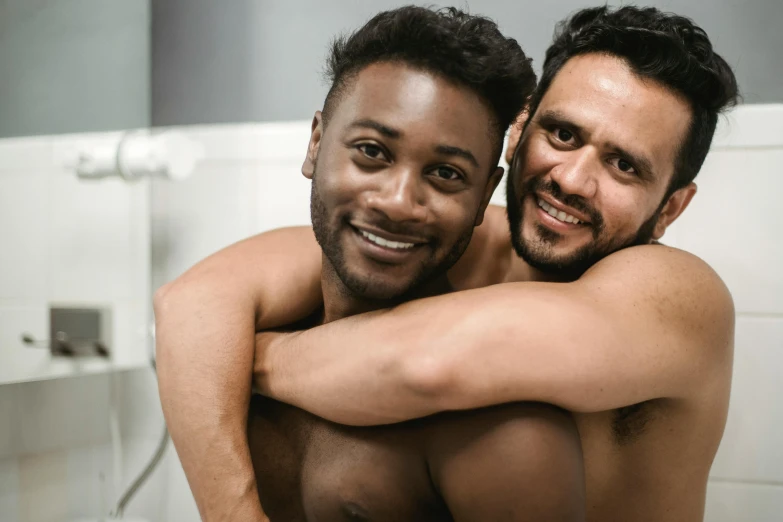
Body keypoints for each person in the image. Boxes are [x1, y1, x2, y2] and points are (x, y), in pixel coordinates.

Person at [155, 5, 739, 522]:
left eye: (624, 166)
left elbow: (431, 363)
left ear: (671, 208)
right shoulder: (444, 230)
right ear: (519, 132)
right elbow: (195, 303)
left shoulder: (676, 294)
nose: (571, 178)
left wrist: (248, 356)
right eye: (562, 134)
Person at [243, 7, 585, 521]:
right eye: (372, 152)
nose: (399, 201)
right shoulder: (234, 349)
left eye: (446, 173)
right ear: (316, 143)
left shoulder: (505, 432)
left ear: (484, 196)